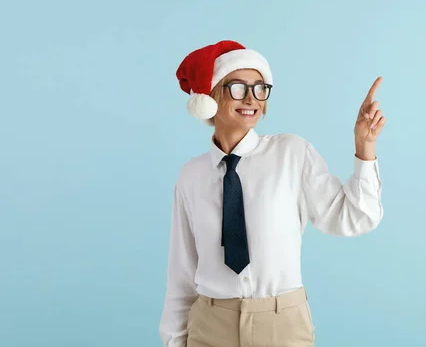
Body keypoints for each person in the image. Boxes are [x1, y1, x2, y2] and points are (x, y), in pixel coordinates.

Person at [158, 40, 386, 347]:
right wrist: (175, 341)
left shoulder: (292, 154)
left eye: (260, 88)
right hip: (209, 326)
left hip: (282, 325)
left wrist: (365, 147)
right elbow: (182, 272)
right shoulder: (191, 176)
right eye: (237, 87)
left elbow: (356, 218)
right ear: (211, 96)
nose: (251, 98)